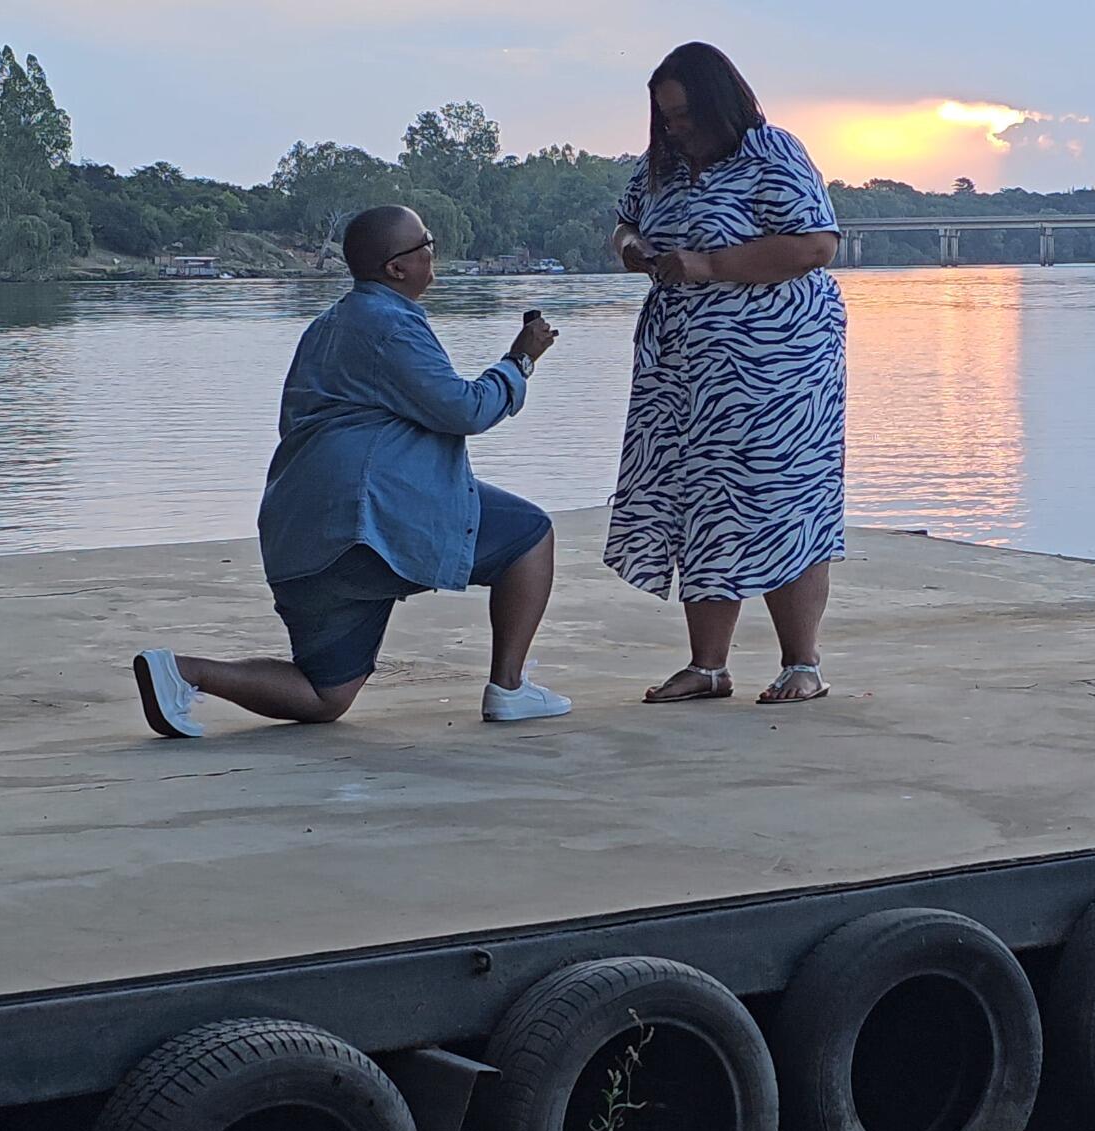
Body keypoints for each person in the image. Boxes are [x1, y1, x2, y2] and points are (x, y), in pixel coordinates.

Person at [133, 205, 568, 737]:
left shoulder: (326, 326)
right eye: (425, 242)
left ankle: (181, 672)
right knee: (529, 535)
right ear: (396, 268)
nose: (434, 250)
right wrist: (520, 361)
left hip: (298, 533)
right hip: (365, 527)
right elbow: (464, 410)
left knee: (325, 694)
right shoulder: (390, 326)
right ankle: (509, 688)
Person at [607, 42, 848, 705]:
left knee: (779, 498)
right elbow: (625, 223)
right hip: (683, 368)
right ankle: (707, 665)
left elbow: (816, 245)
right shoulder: (661, 167)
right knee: (698, 499)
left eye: (684, 114)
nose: (675, 127)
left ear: (720, 102)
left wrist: (709, 264)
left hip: (778, 368)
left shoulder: (773, 153)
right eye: (665, 117)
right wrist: (634, 250)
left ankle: (802, 665)